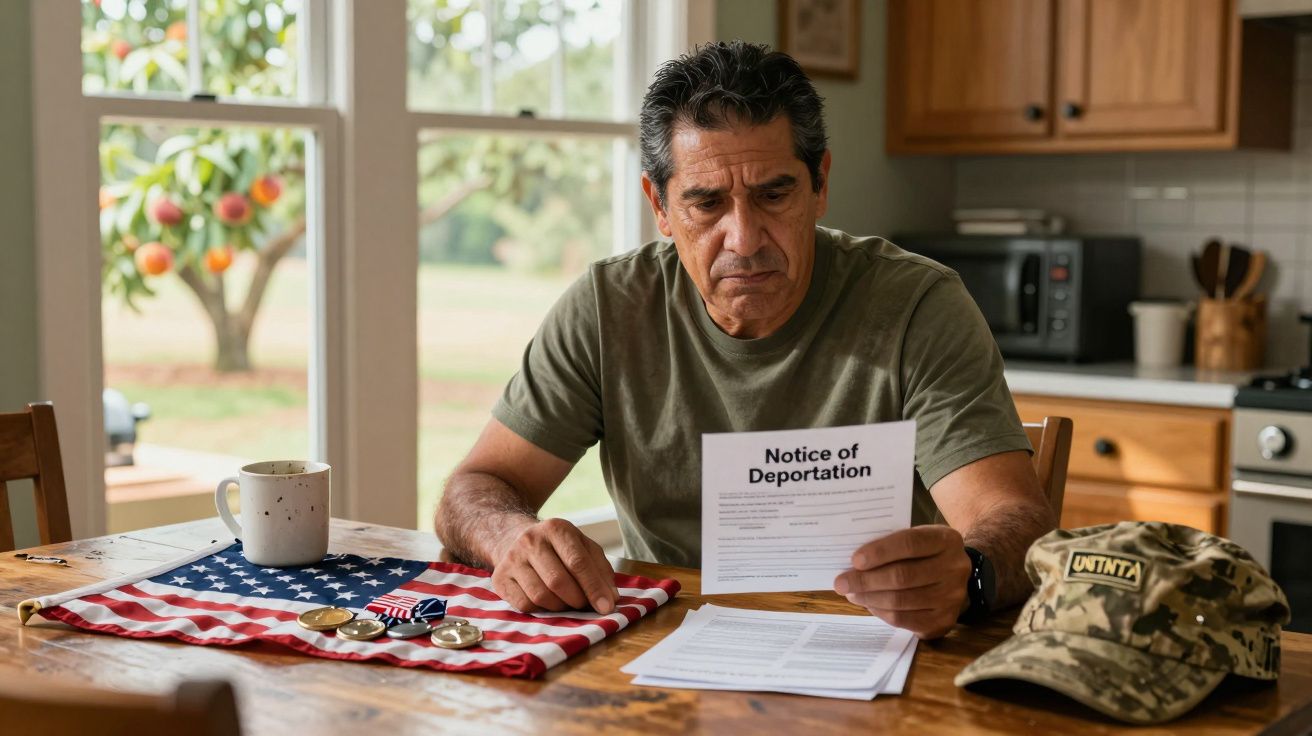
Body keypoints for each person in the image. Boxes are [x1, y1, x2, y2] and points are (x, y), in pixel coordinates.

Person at [435, 41, 1055, 639]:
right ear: (659, 205)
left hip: (871, 640)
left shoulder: (918, 306)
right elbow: (477, 486)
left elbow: (1016, 520)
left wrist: (969, 577)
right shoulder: (608, 307)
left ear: (820, 185)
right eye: (705, 204)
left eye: (774, 194)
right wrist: (511, 538)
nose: (745, 238)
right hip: (667, 639)